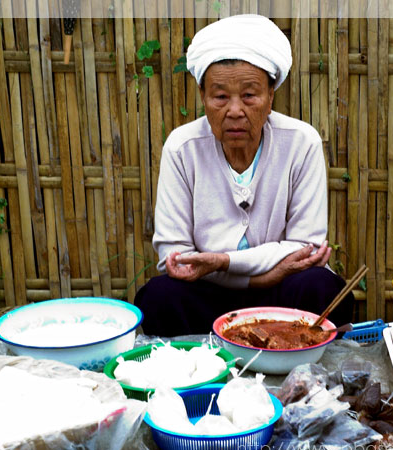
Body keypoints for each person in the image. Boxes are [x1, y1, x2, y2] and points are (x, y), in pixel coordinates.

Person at [134, 14, 355, 336]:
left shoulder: (300, 141)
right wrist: (260, 275)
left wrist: (223, 262)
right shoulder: (182, 147)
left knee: (320, 285)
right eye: (220, 96)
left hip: (282, 292)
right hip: (210, 293)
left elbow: (305, 248)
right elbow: (176, 256)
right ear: (203, 97)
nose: (235, 110)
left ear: (270, 97)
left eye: (249, 95)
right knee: (159, 296)